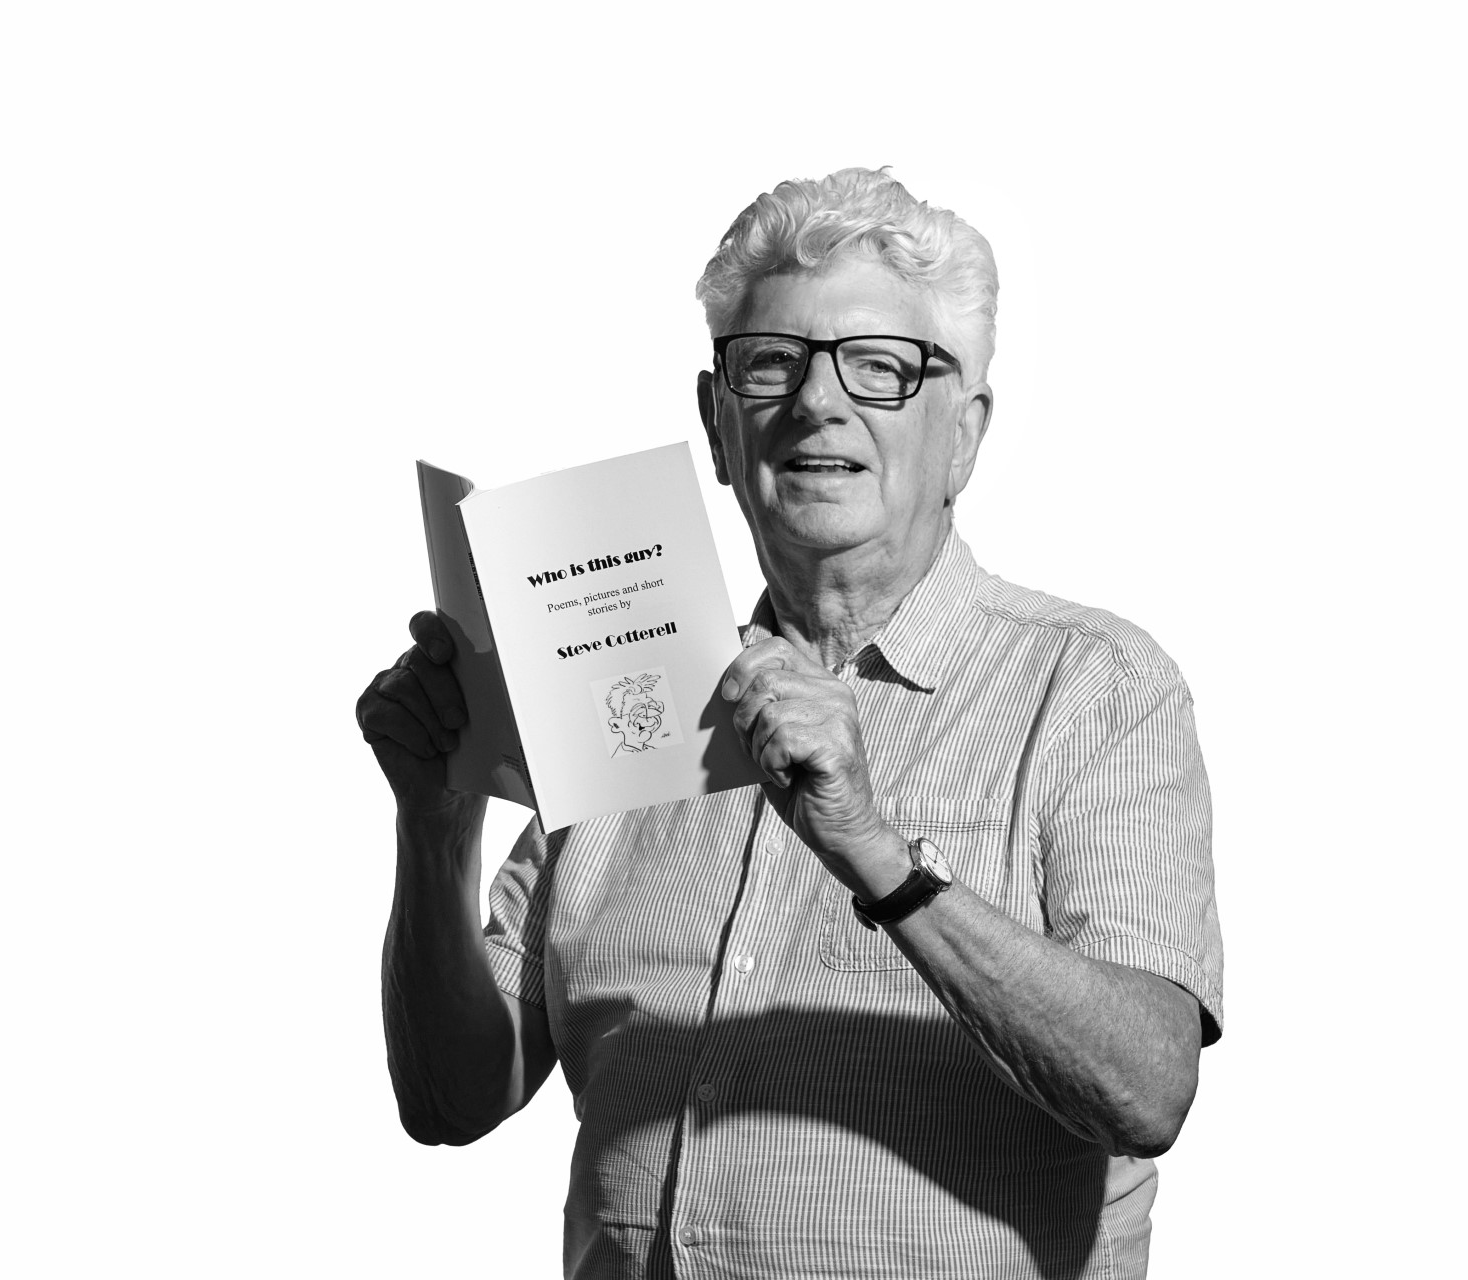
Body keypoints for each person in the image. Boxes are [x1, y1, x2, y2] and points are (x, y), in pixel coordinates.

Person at [356, 167, 1224, 1280]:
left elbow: (1147, 1085)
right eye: (773, 364)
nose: (820, 404)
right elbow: (451, 1099)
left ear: (963, 434)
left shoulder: (1097, 688)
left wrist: (878, 855)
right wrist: (434, 824)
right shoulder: (621, 682)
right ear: (720, 428)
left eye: (880, 367)